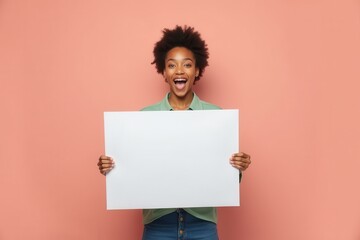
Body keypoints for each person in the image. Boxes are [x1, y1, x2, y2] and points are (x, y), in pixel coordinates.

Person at [97, 25, 251, 240]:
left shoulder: (216, 117)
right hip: (158, 225)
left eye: (187, 65)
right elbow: (133, 168)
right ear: (164, 72)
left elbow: (227, 178)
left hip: (202, 226)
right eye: (172, 65)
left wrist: (238, 166)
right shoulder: (143, 118)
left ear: (197, 70)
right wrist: (112, 167)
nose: (179, 71)